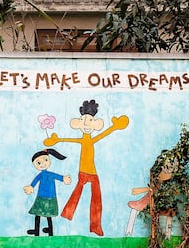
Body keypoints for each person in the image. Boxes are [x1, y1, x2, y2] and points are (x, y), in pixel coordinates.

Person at [44, 100, 129, 236]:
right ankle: (69, 213)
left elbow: (103, 134)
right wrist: (57, 140)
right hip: (84, 171)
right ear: (78, 123)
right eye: (84, 120)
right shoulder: (84, 140)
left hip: (92, 171)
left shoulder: (89, 139)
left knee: (95, 197)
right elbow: (70, 140)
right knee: (81, 193)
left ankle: (93, 225)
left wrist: (115, 127)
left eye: (90, 120)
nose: (87, 124)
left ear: (95, 123)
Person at [23, 147, 71, 236]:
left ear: (49, 160)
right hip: (41, 196)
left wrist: (63, 178)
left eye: (45, 160)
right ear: (35, 164)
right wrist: (30, 187)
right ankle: (36, 230)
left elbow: (58, 177)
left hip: (50, 197)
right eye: (39, 163)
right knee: (38, 213)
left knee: (47, 215)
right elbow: (34, 182)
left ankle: (50, 230)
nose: (42, 164)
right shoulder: (40, 175)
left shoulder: (50, 174)